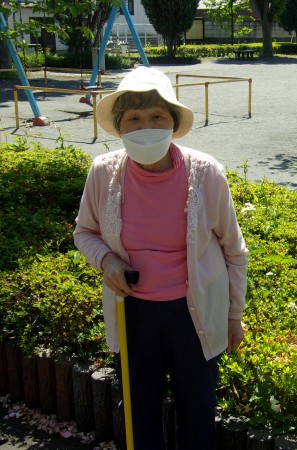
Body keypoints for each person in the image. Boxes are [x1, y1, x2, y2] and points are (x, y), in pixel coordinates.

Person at [73, 66, 248, 450]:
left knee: (198, 412)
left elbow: (235, 252)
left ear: (173, 122)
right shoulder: (103, 172)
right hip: (133, 314)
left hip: (194, 315)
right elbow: (84, 232)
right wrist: (107, 261)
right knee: (139, 414)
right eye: (134, 119)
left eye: (156, 116)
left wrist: (234, 315)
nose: (145, 127)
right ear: (120, 128)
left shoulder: (206, 173)